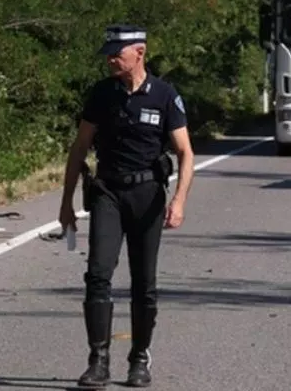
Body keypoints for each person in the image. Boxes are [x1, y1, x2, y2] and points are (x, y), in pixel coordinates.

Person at [58, 24, 196, 389]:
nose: (110, 59)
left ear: (140, 52)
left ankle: (139, 358)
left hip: (147, 195)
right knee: (98, 274)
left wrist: (179, 201)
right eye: (108, 52)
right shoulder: (102, 94)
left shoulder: (164, 95)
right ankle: (98, 359)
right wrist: (66, 204)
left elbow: (185, 153)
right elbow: (79, 148)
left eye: (117, 53)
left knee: (143, 282)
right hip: (107, 192)